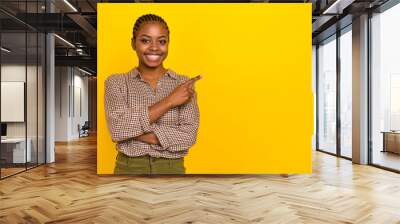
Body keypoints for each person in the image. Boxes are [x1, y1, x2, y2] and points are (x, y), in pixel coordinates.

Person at [104, 14, 201, 175]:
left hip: (172, 169)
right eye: (145, 40)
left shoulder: (183, 85)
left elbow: (188, 137)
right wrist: (170, 101)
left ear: (168, 44)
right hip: (128, 168)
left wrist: (131, 133)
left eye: (161, 41)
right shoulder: (116, 82)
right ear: (133, 43)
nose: (154, 47)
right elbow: (117, 129)